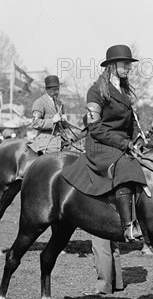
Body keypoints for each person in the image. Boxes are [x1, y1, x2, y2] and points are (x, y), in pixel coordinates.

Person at [62, 44, 147, 244]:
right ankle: (128, 227)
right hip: (100, 144)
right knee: (126, 167)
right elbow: (95, 128)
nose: (129, 67)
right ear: (112, 65)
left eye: (129, 64)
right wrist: (125, 143)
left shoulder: (124, 91)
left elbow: (132, 121)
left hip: (122, 143)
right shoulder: (96, 91)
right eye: (125, 64)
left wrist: (138, 139)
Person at [28, 75, 67, 154]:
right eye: (54, 89)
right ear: (47, 90)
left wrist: (64, 122)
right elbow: (35, 123)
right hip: (46, 144)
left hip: (59, 141)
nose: (57, 92)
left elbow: (61, 126)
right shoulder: (40, 102)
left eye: (58, 89)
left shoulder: (60, 103)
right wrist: (52, 121)